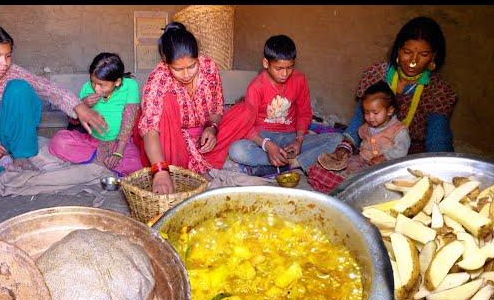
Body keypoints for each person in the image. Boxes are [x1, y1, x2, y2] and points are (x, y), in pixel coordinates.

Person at [0, 22, 107, 173]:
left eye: (8, 55)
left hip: (1, 134)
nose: (5, 63)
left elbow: (45, 87)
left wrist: (79, 107)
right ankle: (4, 159)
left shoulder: (9, 72)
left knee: (20, 89)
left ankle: (21, 155)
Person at [134, 22, 255, 194]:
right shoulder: (158, 78)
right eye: (178, 69)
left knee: (245, 110)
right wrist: (160, 171)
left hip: (203, 139)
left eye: (192, 66)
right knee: (167, 102)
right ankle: (173, 167)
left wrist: (212, 128)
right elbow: (150, 129)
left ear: (198, 57)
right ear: (166, 63)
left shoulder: (209, 67)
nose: (186, 74)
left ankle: (198, 162)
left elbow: (216, 108)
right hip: (173, 140)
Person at [325, 16, 457, 167]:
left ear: (434, 56)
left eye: (423, 55)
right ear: (398, 50)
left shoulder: (437, 91)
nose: (413, 61)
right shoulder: (377, 74)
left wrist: (440, 166)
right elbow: (359, 119)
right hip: (370, 148)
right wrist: (346, 146)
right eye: (407, 52)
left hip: (407, 156)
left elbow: (437, 140)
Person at [227, 34, 343, 176]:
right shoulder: (256, 87)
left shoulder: (299, 80)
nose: (285, 74)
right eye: (279, 68)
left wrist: (298, 141)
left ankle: (292, 163)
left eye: (290, 68)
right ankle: (290, 162)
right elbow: (248, 126)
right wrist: (268, 145)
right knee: (236, 150)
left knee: (337, 139)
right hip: (264, 135)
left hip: (290, 136)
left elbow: (304, 113)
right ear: (266, 63)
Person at [48, 52, 142, 175]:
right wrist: (83, 104)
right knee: (58, 141)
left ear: (117, 82)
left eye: (102, 85)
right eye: (93, 82)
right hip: (92, 141)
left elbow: (129, 120)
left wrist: (118, 152)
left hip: (121, 143)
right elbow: (73, 121)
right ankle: (101, 162)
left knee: (135, 165)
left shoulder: (130, 86)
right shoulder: (87, 88)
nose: (96, 88)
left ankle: (96, 162)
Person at [310, 81, 410, 192]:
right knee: (320, 169)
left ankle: (347, 187)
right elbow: (356, 139)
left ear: (390, 111)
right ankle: (341, 185)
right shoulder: (365, 127)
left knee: (366, 184)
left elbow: (401, 150)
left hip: (383, 168)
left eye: (375, 113)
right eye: (367, 113)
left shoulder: (399, 130)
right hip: (361, 162)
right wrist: (345, 150)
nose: (370, 117)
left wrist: (384, 157)